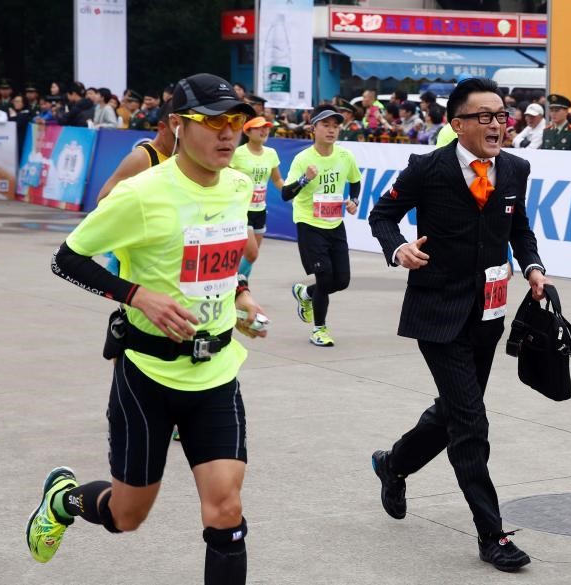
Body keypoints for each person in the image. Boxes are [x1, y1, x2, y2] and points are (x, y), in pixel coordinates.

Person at [26, 73, 262, 585]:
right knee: (127, 516)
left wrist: (239, 292)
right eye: (213, 121)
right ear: (177, 124)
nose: (228, 133)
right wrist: (136, 295)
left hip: (217, 371)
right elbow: (67, 259)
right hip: (148, 376)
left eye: (237, 121)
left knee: (226, 510)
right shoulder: (140, 194)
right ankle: (64, 502)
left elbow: (217, 254)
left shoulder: (239, 184)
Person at [367, 77, 550, 573]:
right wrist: (397, 247)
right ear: (457, 124)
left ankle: (394, 463)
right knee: (471, 421)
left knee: (452, 411)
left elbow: (519, 229)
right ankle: (492, 534)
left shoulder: (515, 168)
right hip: (437, 312)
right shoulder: (427, 168)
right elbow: (381, 216)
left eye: (501, 116)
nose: (497, 125)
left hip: (488, 313)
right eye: (485, 116)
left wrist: (532, 267)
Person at [282, 105, 362, 347]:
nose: (331, 130)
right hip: (309, 223)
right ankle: (319, 330)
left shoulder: (345, 156)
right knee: (325, 277)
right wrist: (305, 178)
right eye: (325, 125)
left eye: (336, 126)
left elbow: (355, 181)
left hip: (335, 223)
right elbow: (286, 194)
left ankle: (305, 293)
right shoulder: (303, 159)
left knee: (342, 281)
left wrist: (354, 201)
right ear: (313, 128)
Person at [230, 116, 283, 280]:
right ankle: (233, 285)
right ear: (247, 131)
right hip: (241, 209)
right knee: (251, 254)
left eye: (266, 127)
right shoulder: (237, 153)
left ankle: (241, 290)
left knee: (250, 256)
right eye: (259, 127)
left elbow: (277, 180)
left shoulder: (271, 153)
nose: (264, 130)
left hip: (260, 209)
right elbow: (224, 177)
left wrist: (293, 192)